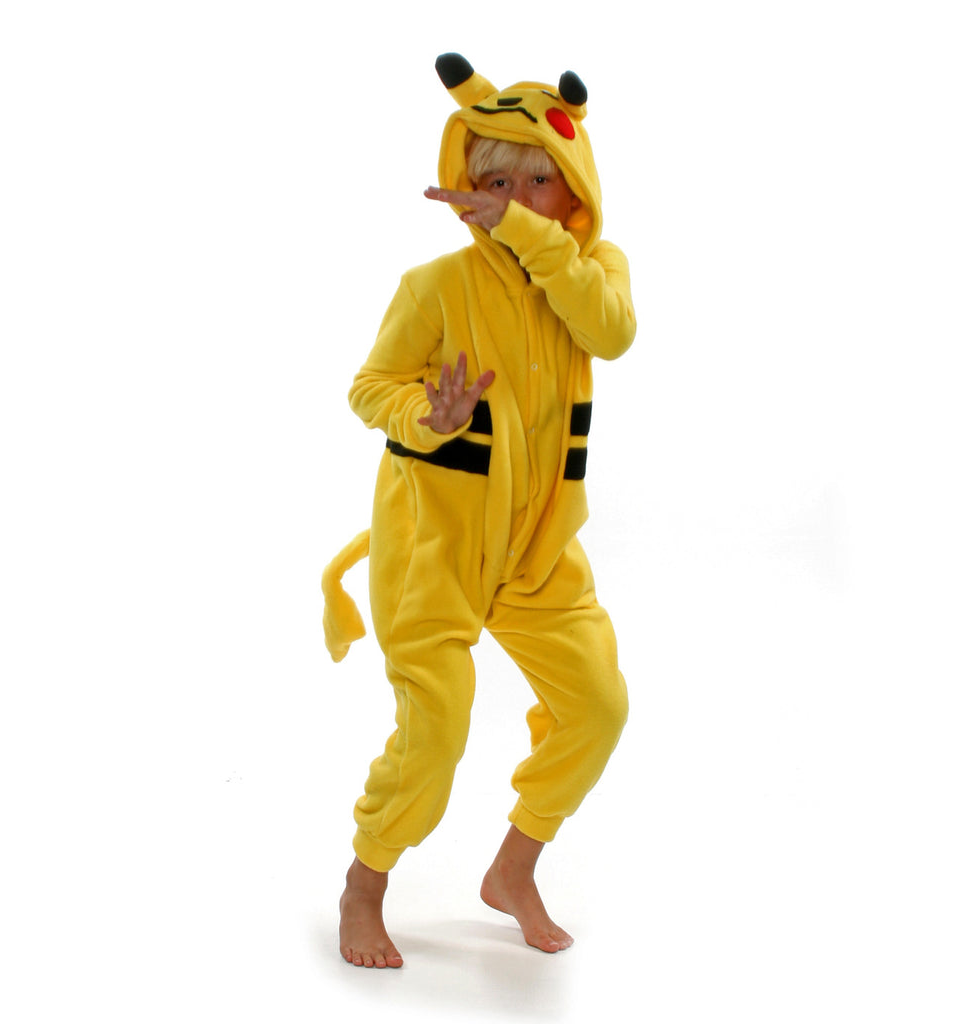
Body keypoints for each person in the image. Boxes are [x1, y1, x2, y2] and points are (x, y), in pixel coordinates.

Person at [322, 52, 636, 968]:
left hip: (539, 548)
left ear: (574, 190)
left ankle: (513, 868)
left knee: (597, 704)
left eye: (540, 181)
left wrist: (537, 242)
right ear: (465, 193)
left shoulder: (591, 271)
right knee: (437, 728)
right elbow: (370, 387)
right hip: (438, 545)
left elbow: (611, 332)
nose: (515, 200)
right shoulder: (436, 287)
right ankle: (364, 882)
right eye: (496, 183)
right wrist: (430, 416)